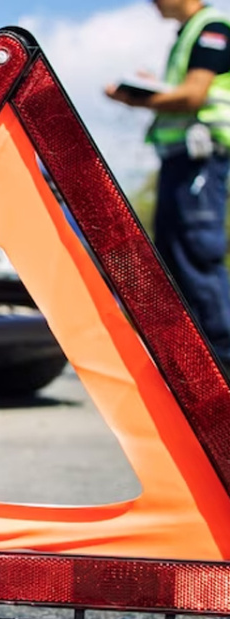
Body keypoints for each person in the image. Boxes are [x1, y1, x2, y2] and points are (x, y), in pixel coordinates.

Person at [106, 0, 230, 366]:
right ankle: (195, 365)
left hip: (200, 162)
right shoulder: (188, 35)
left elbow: (194, 94)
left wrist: (138, 98)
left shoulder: (211, 29)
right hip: (182, 164)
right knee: (175, 260)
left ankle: (223, 367)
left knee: (196, 258)